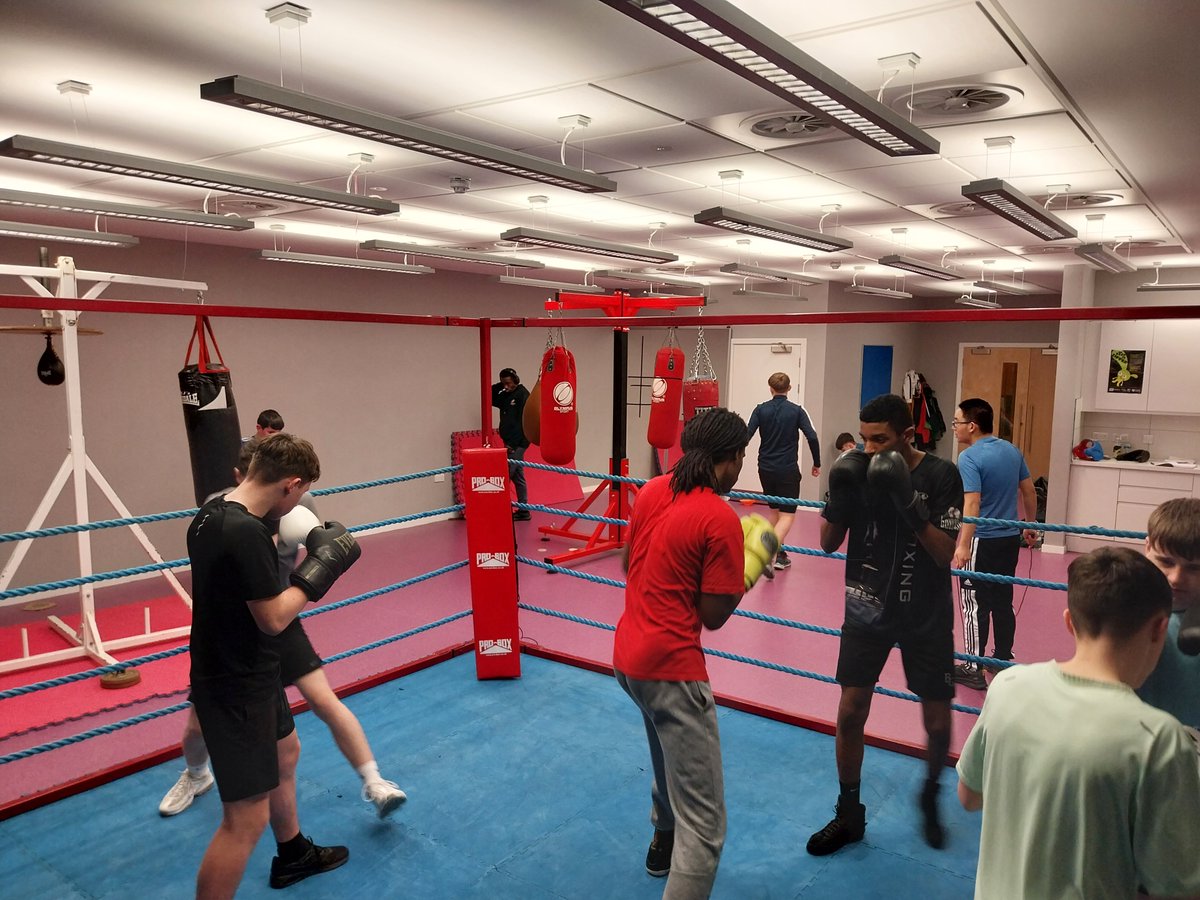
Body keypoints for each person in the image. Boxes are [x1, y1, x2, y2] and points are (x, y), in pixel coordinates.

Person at [161, 439, 406, 821]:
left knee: (322, 701)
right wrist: (322, 569)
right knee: (198, 726)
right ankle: (195, 775)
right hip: (237, 633)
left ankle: (374, 781)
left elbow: (319, 542)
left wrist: (322, 552)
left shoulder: (299, 504)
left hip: (281, 615)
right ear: (243, 477)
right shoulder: (219, 512)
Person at [956, 546, 1200, 900]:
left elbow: (969, 796)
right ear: (1160, 628)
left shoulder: (1007, 686)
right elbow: (1177, 888)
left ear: (1069, 622)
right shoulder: (1158, 738)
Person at [187, 432, 361, 896]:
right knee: (244, 820)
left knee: (286, 752)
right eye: (302, 492)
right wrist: (321, 568)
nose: (302, 501)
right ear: (292, 483)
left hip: (247, 668)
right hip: (235, 685)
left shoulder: (210, 514)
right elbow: (272, 617)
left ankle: (294, 855)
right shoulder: (247, 534)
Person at [613, 408, 778, 898]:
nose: (740, 469)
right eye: (741, 459)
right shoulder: (717, 517)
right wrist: (749, 565)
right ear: (728, 460)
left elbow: (628, 563)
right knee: (705, 827)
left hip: (627, 656)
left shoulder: (652, 489)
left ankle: (663, 836)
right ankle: (675, 840)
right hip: (672, 668)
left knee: (666, 749)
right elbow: (714, 615)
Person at [807, 393, 963, 856]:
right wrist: (841, 496)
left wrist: (907, 502)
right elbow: (828, 544)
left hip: (925, 613)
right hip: (866, 606)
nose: (870, 448)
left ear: (907, 436)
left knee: (936, 721)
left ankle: (930, 793)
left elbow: (943, 554)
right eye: (865, 438)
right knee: (851, 711)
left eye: (881, 439)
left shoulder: (940, 476)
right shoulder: (856, 468)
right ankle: (849, 813)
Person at [949, 398, 1039, 692]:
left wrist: (963, 545)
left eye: (957, 422)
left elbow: (972, 502)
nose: (954, 428)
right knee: (1002, 600)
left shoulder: (970, 457)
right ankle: (1001, 660)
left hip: (982, 541)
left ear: (971, 426)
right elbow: (1028, 490)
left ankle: (973, 667)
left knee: (974, 603)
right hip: (1008, 540)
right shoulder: (1011, 450)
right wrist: (1029, 525)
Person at [745, 372, 821, 571]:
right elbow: (812, 437)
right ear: (789, 388)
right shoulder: (796, 411)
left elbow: (746, 435)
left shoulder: (760, 410)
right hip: (787, 470)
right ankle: (767, 555)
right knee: (787, 516)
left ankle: (780, 555)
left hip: (766, 469)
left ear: (771, 388)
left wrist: (737, 457)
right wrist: (817, 462)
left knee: (775, 513)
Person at [1135, 497, 1200, 727]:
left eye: (1194, 568)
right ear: (1147, 548)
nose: (1176, 578)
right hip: (1138, 746)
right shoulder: (1122, 610)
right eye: (1166, 562)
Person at [491, 367, 531, 521]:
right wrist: (501, 385)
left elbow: (524, 422)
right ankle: (524, 510)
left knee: (505, 474)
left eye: (508, 383)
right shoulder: (506, 395)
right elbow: (490, 395)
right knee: (518, 476)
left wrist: (514, 444)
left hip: (518, 443)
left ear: (516, 380)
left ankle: (497, 509)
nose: (506, 386)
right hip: (509, 442)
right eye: (503, 384)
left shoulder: (522, 395)